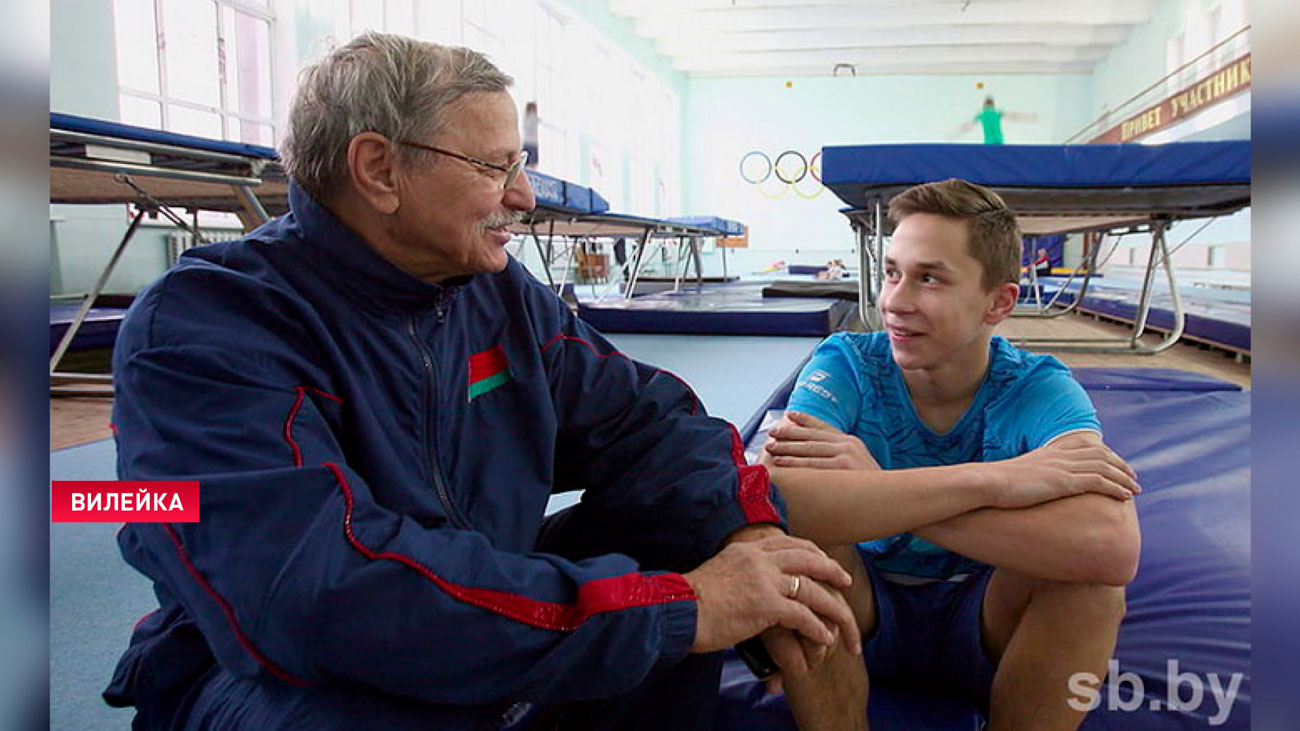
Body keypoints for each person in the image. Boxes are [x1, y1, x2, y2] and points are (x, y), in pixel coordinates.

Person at [101, 33, 861, 730]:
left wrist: (747, 534)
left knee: (700, 548)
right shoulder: (207, 327)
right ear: (379, 169)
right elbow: (320, 590)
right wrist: (683, 607)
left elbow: (654, 422)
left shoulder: (492, 295)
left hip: (460, 600)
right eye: (496, 167)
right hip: (268, 671)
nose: (526, 196)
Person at [758, 179, 1141, 730]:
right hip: (859, 611)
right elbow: (776, 498)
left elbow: (1111, 547)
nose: (894, 301)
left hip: (988, 617)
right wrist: (996, 482)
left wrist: (875, 487)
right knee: (798, 552)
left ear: (998, 302)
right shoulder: (847, 363)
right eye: (893, 272)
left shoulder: (1038, 388)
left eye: (929, 278)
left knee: (1090, 588)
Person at [950, 96, 1038, 145]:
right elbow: (1014, 116)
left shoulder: (982, 114)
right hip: (999, 139)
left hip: (989, 140)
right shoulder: (996, 113)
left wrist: (955, 133)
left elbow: (968, 126)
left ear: (984, 105)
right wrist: (1029, 117)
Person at [523, 100, 539, 169]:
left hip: (528, 142)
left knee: (528, 163)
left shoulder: (527, 117)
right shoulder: (530, 118)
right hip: (531, 143)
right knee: (531, 163)